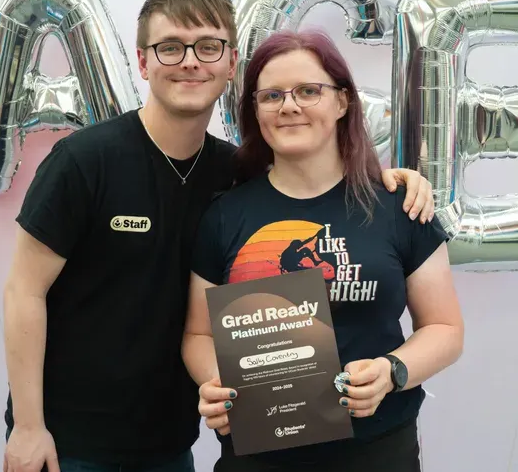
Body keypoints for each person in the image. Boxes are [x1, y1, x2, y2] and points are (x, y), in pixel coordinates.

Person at [1, 0, 436, 472]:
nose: (190, 61)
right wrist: (29, 426)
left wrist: (389, 179)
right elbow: (23, 291)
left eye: (208, 47)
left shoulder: (235, 175)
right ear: (143, 62)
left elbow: (317, 184)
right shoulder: (83, 161)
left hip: (169, 443)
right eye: (170, 47)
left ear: (230, 64)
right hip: (70, 443)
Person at [183, 29, 465, 472]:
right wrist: (215, 382)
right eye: (271, 96)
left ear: (342, 101)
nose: (289, 106)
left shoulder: (399, 207)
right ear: (255, 111)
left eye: (308, 91)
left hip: (376, 451)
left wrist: (392, 371)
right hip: (259, 452)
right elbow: (198, 335)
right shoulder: (224, 215)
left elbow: (445, 328)